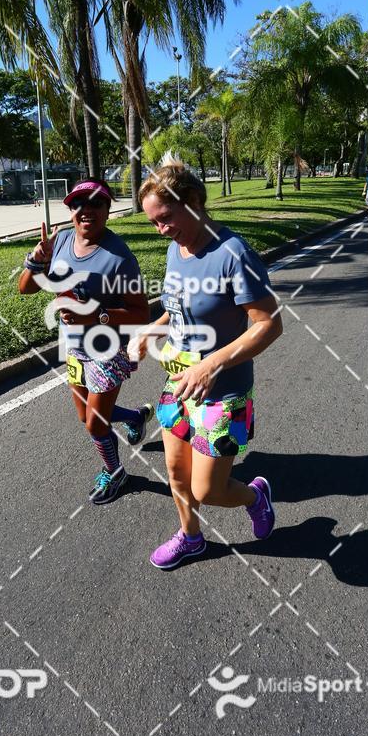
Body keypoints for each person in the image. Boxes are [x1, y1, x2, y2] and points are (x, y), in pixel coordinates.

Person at [133, 158, 283, 569]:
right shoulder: (176, 248)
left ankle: (255, 496)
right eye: (153, 222)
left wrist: (212, 364)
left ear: (195, 202)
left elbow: (269, 324)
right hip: (180, 382)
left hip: (224, 392)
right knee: (176, 472)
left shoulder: (234, 254)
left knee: (208, 490)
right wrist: (152, 330)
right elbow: (179, 309)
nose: (161, 229)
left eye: (166, 218)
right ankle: (191, 537)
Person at [19, 177, 152, 503]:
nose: (86, 209)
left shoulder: (119, 257)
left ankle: (116, 473)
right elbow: (26, 288)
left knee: (95, 424)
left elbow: (140, 313)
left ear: (108, 209)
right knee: (86, 416)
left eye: (96, 203)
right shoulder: (61, 241)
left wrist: (97, 316)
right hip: (74, 347)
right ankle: (134, 416)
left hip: (108, 350)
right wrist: (38, 260)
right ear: (70, 210)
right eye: (78, 203)